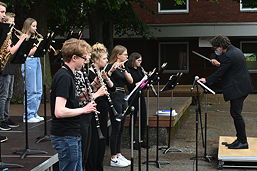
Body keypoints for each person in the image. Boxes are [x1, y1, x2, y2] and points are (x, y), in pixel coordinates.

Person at [50, 38, 99, 171]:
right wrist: (84, 109)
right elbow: (59, 111)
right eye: (84, 58)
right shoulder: (64, 77)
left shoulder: (69, 75)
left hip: (72, 133)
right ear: (74, 57)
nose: (85, 62)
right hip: (66, 135)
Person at [199, 35, 252, 149]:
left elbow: (221, 73)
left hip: (238, 88)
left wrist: (207, 80)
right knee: (235, 113)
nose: (215, 50)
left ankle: (243, 142)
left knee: (236, 114)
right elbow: (230, 66)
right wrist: (219, 64)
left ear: (221, 46)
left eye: (216, 48)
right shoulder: (236, 51)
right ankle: (240, 139)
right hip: (243, 86)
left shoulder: (228, 55)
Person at [85, 43, 115, 171]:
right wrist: (96, 88)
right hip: (94, 109)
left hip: (103, 109)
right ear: (96, 59)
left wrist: (106, 78)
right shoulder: (88, 72)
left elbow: (112, 88)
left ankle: (99, 166)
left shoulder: (101, 72)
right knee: (95, 143)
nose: (107, 61)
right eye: (104, 58)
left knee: (102, 142)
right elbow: (87, 94)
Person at [106, 45, 133, 167]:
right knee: (116, 127)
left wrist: (124, 69)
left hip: (123, 97)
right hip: (114, 97)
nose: (127, 57)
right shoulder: (109, 66)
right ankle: (113, 157)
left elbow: (130, 81)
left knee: (121, 127)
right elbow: (105, 77)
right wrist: (113, 69)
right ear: (118, 55)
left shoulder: (123, 68)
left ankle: (118, 153)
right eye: (125, 54)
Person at [0, 12, 27, 131]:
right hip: (4, 68)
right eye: (11, 22)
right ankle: (1, 119)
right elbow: (10, 51)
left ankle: (6, 117)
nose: (13, 24)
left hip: (10, 66)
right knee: (3, 95)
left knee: (9, 95)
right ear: (5, 23)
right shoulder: (3, 34)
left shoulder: (9, 35)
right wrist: (21, 40)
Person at [21, 18, 44, 123]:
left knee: (39, 89)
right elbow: (29, 53)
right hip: (28, 62)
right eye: (33, 26)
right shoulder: (24, 38)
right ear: (28, 26)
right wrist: (37, 44)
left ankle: (34, 112)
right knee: (31, 90)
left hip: (36, 60)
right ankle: (28, 115)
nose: (35, 28)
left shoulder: (34, 37)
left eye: (36, 26)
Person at [126, 52, 148, 149]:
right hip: (133, 96)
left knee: (143, 116)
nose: (140, 62)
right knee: (133, 117)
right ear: (133, 60)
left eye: (141, 60)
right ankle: (133, 140)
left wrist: (146, 78)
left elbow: (144, 83)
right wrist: (139, 82)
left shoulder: (140, 69)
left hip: (141, 95)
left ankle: (142, 139)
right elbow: (131, 85)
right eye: (138, 60)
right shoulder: (129, 70)